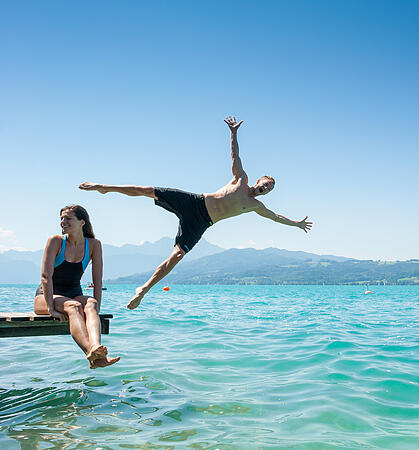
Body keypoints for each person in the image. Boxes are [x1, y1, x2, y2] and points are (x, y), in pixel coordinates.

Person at [79, 116, 312, 309]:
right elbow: (235, 156)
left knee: (177, 256)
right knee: (147, 190)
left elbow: (276, 217)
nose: (265, 188)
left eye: (269, 189)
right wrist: (233, 133)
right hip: (195, 202)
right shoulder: (241, 179)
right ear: (260, 180)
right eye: (266, 184)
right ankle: (105, 188)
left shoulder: (256, 206)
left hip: (202, 223)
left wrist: (297, 224)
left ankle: (143, 289)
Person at [34, 205, 120, 369]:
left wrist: (96, 308)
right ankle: (93, 355)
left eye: (68, 218)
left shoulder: (94, 244)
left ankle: (95, 348)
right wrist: (51, 309)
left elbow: (97, 279)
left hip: (73, 293)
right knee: (73, 307)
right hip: (46, 296)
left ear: (82, 222)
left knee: (91, 303)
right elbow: (45, 277)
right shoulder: (56, 241)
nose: (63, 222)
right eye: (61, 219)